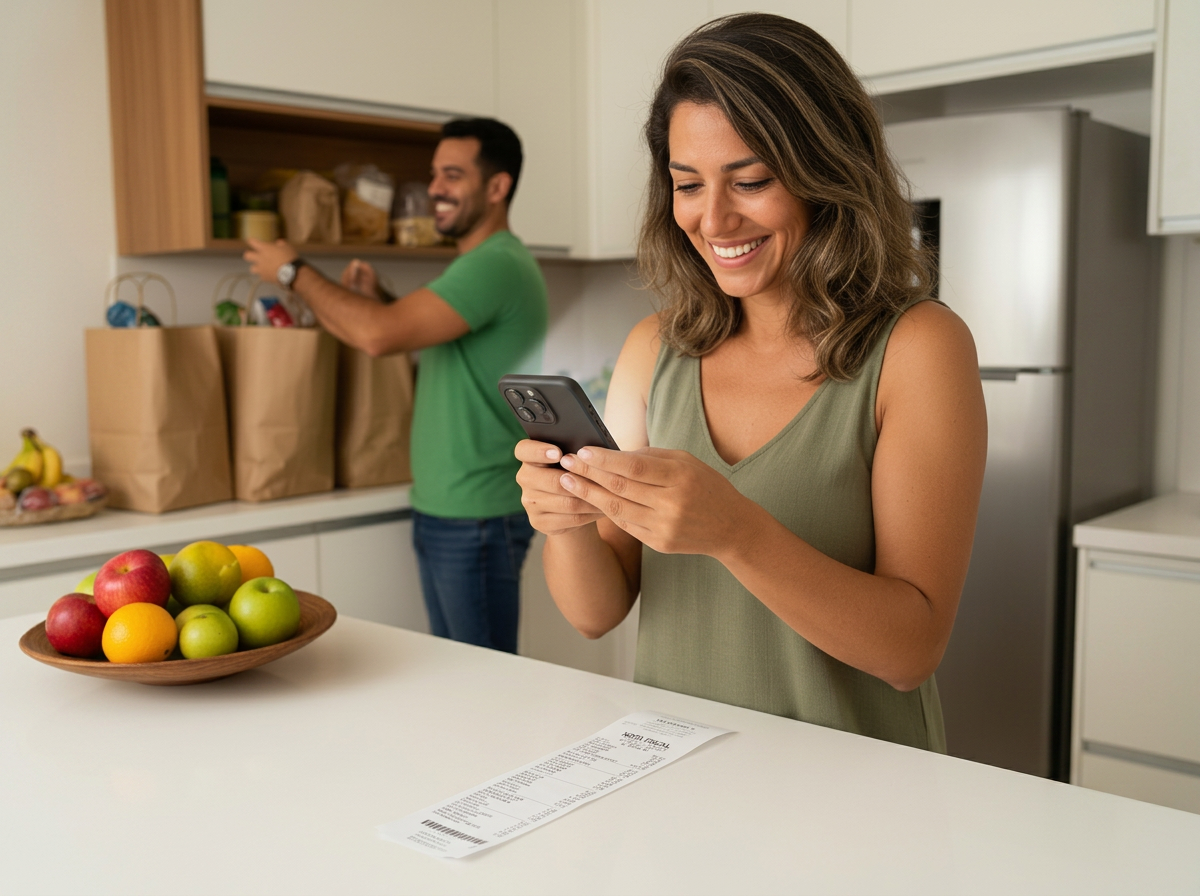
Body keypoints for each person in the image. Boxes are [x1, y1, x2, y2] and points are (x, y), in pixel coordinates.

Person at [513, 15, 987, 750]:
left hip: (858, 804)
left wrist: (735, 532)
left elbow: (911, 650)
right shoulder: (654, 350)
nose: (714, 218)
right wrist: (563, 522)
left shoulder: (918, 347)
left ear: (827, 171)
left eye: (752, 180)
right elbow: (595, 612)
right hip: (681, 786)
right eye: (688, 185)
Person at [245, 118, 548, 654]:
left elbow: (378, 337)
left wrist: (292, 272)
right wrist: (379, 301)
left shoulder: (494, 264)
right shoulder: (476, 267)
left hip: (476, 512)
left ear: (497, 188)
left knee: (483, 685)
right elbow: (394, 335)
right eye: (434, 174)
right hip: (450, 508)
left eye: (452, 175)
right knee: (461, 673)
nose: (434, 188)